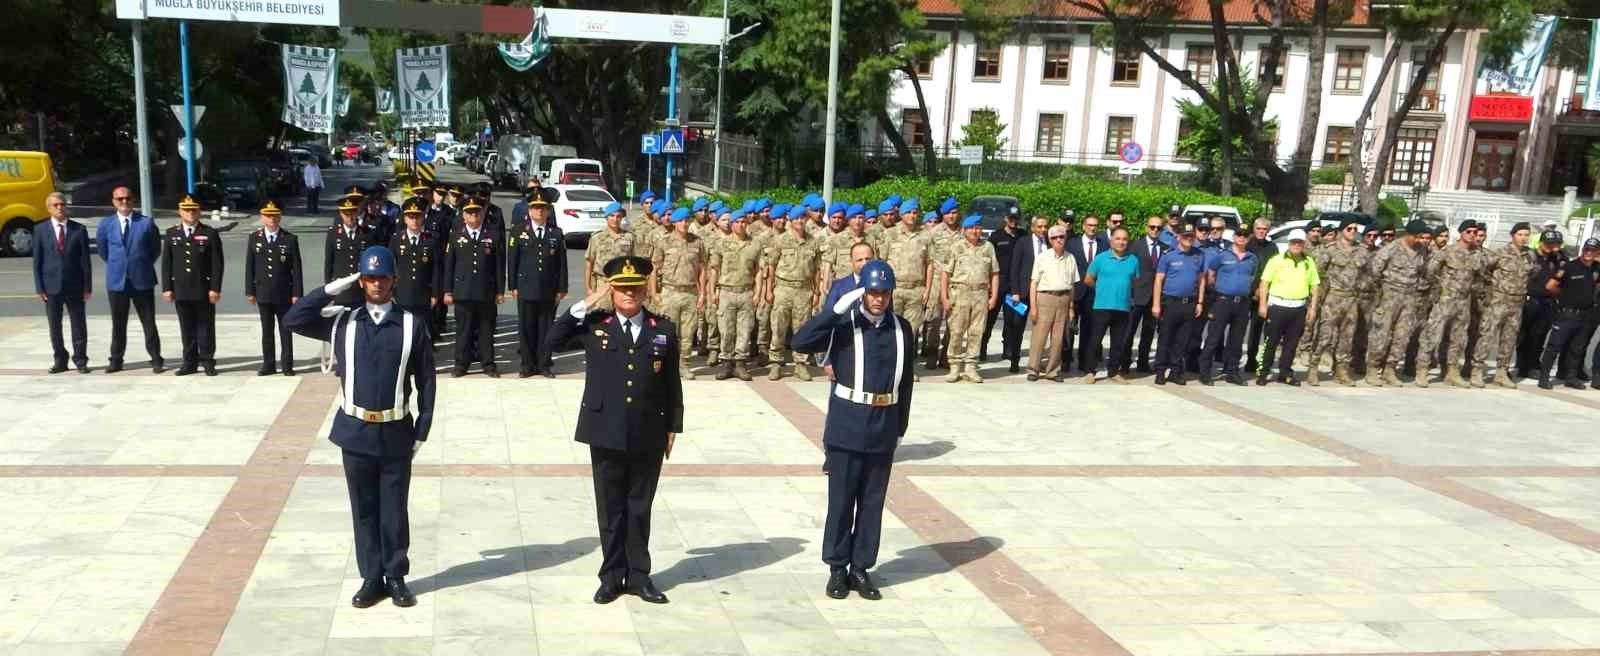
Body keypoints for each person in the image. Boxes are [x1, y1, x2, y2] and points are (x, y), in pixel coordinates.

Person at [285, 245, 435, 610]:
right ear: (362, 281)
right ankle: (372, 577)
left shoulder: (412, 324)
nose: (376, 284)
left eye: (382, 277)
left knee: (394, 510)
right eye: (369, 278)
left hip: (396, 430)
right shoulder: (343, 322)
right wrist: (333, 288)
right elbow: (294, 318)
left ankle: (396, 576)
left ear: (393, 280)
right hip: (355, 430)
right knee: (363, 508)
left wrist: (422, 430)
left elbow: (428, 381)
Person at [548, 256, 682, 605]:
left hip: (648, 431)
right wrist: (585, 303)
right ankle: (611, 576)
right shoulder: (595, 325)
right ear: (612, 291)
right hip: (604, 429)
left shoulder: (663, 329)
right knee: (610, 509)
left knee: (640, 507)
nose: (629, 294)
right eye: (622, 288)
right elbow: (552, 340)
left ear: (644, 290)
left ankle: (639, 576)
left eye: (635, 288)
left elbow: (672, 383)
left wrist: (673, 426)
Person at [790, 260, 914, 602]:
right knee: (842, 501)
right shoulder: (845, 324)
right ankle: (836, 569)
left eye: (884, 293)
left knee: (872, 503)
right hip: (847, 424)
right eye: (873, 292)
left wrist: (900, 427)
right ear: (863, 292)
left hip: (883, 425)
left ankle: (861, 568)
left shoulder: (901, 328)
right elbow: (800, 342)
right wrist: (833, 311)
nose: (879, 299)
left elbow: (905, 385)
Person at [96, 186, 163, 373]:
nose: (124, 202)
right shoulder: (105, 224)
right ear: (113, 202)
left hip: (142, 279)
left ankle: (156, 358)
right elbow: (103, 251)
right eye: (120, 199)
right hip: (117, 281)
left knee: (148, 321)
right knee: (118, 323)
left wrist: (140, 264)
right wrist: (120, 265)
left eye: (128, 198)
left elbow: (155, 249)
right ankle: (116, 359)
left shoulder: (146, 223)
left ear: (133, 200)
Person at [1415, 220, 1487, 388]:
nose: (1473, 235)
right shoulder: (1448, 251)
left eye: (1475, 232)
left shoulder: (1477, 254)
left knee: (1458, 339)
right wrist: (1442, 287)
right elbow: (1430, 271)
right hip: (1446, 299)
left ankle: (1452, 372)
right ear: (1461, 233)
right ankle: (1422, 370)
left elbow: (1480, 276)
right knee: (1432, 335)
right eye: (1469, 231)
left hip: (1464, 301)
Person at [442, 196, 506, 377]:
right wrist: (447, 291)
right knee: (464, 331)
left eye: (477, 212)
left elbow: (499, 265)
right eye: (470, 213)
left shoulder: (493, 235)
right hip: (463, 291)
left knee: (486, 330)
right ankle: (461, 365)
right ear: (463, 215)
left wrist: (500, 291)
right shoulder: (455, 235)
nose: (474, 216)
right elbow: (449, 265)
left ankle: (488, 364)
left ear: (483, 214)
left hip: (486, 291)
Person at [162, 194, 224, 376]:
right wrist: (167, 288)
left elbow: (217, 264)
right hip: (181, 289)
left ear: (199, 212)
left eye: (193, 210)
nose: (190, 213)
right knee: (186, 327)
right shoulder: (172, 233)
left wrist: (215, 288)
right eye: (186, 210)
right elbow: (167, 263)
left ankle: (207, 360)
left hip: (203, 289)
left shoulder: (209, 233)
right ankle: (189, 362)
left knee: (205, 326)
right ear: (179, 211)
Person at [508, 191, 568, 378]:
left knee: (546, 328)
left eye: (543, 208)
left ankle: (544, 364)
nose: (539, 212)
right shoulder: (519, 231)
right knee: (526, 328)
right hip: (525, 288)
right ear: (530, 210)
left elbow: (561, 263)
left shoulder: (555, 233)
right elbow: (513, 261)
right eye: (535, 208)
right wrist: (513, 287)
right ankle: (527, 365)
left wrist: (562, 288)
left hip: (548, 290)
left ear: (548, 211)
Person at [1306, 219, 1371, 386]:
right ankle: (1313, 369)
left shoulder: (1361, 251)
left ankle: (1341, 371)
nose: (1353, 231)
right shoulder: (1330, 249)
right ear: (1342, 230)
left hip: (1351, 299)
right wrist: (1317, 298)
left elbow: (1366, 274)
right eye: (1349, 228)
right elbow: (1318, 272)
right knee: (1324, 336)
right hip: (1332, 298)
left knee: (1347, 338)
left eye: (1356, 229)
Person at [33, 192, 92, 374]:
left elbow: (85, 261)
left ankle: (80, 360)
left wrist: (87, 287)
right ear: (49, 208)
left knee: (78, 324)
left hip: (74, 285)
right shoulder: (40, 230)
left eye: (62, 204)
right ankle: (60, 360)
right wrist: (39, 287)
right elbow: (38, 261)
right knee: (54, 325)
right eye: (56, 205)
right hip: (51, 286)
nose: (60, 208)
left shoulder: (79, 229)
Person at [1364, 220, 1428, 386]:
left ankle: (1390, 369)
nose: (1421, 240)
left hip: (1410, 297)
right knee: (1382, 333)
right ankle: (1372, 369)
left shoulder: (1421, 250)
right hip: (1390, 294)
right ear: (1409, 234)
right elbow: (1375, 270)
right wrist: (1383, 289)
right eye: (1418, 237)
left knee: (1402, 335)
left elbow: (1421, 271)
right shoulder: (1392, 248)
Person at [245, 201, 304, 376]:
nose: (272, 219)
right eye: (268, 216)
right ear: (262, 217)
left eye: (275, 216)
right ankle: (268, 364)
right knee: (267, 330)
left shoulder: (289, 239)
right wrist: (250, 290)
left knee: (286, 330)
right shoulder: (254, 238)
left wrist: (297, 293)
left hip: (284, 293)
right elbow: (250, 266)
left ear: (280, 217)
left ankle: (287, 365)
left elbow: (297, 268)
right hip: (263, 292)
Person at [1473, 222, 1534, 388]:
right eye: (1520, 234)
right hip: (1498, 301)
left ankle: (1501, 373)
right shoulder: (1500, 253)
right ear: (1513, 235)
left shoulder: (1530, 255)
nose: (1523, 238)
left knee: (1509, 339)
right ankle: (1477, 371)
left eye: (1526, 235)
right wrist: (1492, 289)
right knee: (1487, 336)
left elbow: (1532, 274)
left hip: (1517, 303)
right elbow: (1484, 271)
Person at [940, 214, 1000, 383]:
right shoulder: (956, 247)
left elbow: (994, 273)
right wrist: (944, 297)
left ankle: (971, 367)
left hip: (980, 294)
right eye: (972, 228)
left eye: (978, 227)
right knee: (957, 331)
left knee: (977, 332)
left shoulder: (988, 247)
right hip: (960, 294)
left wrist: (993, 296)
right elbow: (945, 273)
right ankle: (954, 367)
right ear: (964, 230)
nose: (976, 231)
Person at [1255, 230, 1320, 386]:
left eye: (1299, 242)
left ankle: (1285, 373)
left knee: (1291, 344)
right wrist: (1262, 305)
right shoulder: (1276, 260)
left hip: (1298, 308)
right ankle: (1263, 372)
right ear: (1289, 243)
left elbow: (1315, 286)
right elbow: (1264, 283)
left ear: (1304, 244)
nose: (1296, 245)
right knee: (1271, 342)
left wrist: (1312, 309)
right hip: (1278, 307)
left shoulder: (1309, 262)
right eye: (1293, 242)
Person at [765, 205, 822, 381]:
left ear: (806, 219)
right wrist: (769, 290)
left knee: (802, 329)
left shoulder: (813, 241)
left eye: (802, 218)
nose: (799, 221)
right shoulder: (781, 240)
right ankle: (776, 363)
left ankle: (800, 364)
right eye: (796, 218)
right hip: (783, 288)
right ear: (791, 220)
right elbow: (771, 266)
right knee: (778, 327)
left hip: (804, 290)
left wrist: (817, 291)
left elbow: (817, 268)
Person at [708, 210, 766, 380]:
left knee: (744, 330)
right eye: (737, 222)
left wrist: (758, 293)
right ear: (731, 224)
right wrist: (712, 291)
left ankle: (740, 364)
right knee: (726, 330)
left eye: (743, 222)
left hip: (746, 292)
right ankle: (726, 363)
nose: (740, 225)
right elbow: (714, 270)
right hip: (726, 291)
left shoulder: (755, 244)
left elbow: (759, 271)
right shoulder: (722, 243)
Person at [1536, 238, 1600, 390]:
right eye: (1586, 250)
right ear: (1583, 250)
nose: (1588, 253)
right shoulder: (1570, 266)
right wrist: (1563, 296)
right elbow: (1550, 286)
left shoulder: (1597, 268)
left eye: (1592, 250)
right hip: (1567, 314)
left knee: (1577, 348)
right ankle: (1544, 377)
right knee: (1554, 346)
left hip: (1586, 315)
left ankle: (1570, 377)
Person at [1198, 225, 1257, 385]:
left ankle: (1232, 371)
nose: (1242, 237)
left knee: (1236, 341)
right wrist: (1219, 290)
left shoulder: (1252, 258)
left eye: (1245, 235)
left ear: (1248, 237)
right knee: (1214, 338)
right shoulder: (1222, 255)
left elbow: (1252, 277)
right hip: (1223, 301)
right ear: (1234, 237)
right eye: (1239, 234)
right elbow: (1211, 274)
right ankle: (1204, 372)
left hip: (1242, 303)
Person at [1080, 227, 1139, 383]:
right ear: (1111, 240)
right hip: (1102, 306)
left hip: (1123, 307)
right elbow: (1088, 279)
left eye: (1124, 239)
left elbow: (1134, 281)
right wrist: (1101, 289)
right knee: (1095, 340)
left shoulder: (1133, 260)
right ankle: (1089, 372)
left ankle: (1113, 372)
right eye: (1118, 238)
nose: (1121, 242)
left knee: (1118, 342)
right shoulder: (1100, 258)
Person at [1152, 223, 1207, 385]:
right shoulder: (1168, 254)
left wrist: (1200, 302)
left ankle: (1176, 372)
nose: (1189, 239)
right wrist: (1156, 304)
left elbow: (1201, 280)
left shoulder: (1199, 254)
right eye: (1185, 236)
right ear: (1178, 237)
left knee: (1182, 341)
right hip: (1170, 302)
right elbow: (1158, 280)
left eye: (1191, 236)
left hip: (1189, 303)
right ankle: (1160, 371)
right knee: (1165, 338)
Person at [1026, 223, 1077, 381]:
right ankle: (1033, 369)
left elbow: (1072, 285)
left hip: (1063, 299)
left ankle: (1052, 371)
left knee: (1057, 339)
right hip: (1045, 298)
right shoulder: (1043, 257)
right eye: (1054, 237)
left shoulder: (1070, 258)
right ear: (1050, 240)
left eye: (1061, 237)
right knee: (1039, 337)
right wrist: (1033, 308)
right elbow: (1034, 283)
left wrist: (1071, 307)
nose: (1058, 240)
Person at [1517, 229, 1567, 379]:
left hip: (1548, 301)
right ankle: (1522, 365)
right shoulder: (1530, 256)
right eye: (1549, 244)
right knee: (1524, 335)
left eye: (1556, 244)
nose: (1552, 247)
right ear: (1541, 243)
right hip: (1530, 299)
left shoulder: (1559, 258)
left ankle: (1533, 364)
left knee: (1540, 335)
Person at [389, 198, 441, 342]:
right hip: (402, 293)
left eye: (417, 216)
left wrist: (435, 294)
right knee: (402, 333)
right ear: (405, 218)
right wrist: (390, 292)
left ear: (423, 217)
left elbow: (436, 269)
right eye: (410, 217)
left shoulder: (431, 240)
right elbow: (391, 268)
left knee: (422, 333)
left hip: (423, 294)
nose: (414, 221)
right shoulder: (396, 239)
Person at [983, 209, 1025, 370]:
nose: (1014, 221)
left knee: (1011, 320)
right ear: (1005, 218)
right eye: (1011, 218)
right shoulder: (996, 236)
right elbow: (988, 260)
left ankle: (1008, 350)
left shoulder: (1023, 235)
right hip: (998, 281)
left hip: (1014, 284)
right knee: (990, 317)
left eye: (1016, 218)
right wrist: (988, 281)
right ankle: (982, 348)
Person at [1067, 215, 1110, 371]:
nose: (1093, 228)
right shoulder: (1072, 243)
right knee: (1068, 328)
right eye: (1090, 225)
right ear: (1083, 226)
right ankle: (1065, 361)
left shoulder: (1104, 245)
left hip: (1094, 293)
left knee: (1089, 329)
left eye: (1095, 225)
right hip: (1074, 291)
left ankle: (1084, 361)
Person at [1125, 215, 1166, 374]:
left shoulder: (1165, 247)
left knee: (1148, 333)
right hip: (1136, 296)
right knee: (1128, 332)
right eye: (1152, 227)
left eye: (1158, 228)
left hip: (1155, 298)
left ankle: (1143, 363)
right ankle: (1124, 363)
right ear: (1146, 228)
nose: (1155, 230)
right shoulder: (1134, 246)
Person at [327, 196, 377, 306]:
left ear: (357, 213)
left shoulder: (367, 233)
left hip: (360, 287)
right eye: (346, 214)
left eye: (352, 213)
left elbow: (372, 262)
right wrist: (329, 289)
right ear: (341, 214)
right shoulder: (333, 234)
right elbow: (329, 263)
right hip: (341, 287)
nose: (350, 217)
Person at [1243, 218, 1276, 375]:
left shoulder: (1272, 247)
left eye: (1264, 229)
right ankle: (1231, 359)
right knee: (1239, 328)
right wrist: (1251, 289)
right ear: (1254, 229)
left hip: (1262, 294)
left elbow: (1274, 270)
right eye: (1259, 228)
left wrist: (1263, 291)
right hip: (1245, 294)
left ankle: (1252, 360)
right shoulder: (1246, 245)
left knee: (1257, 330)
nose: (1261, 231)